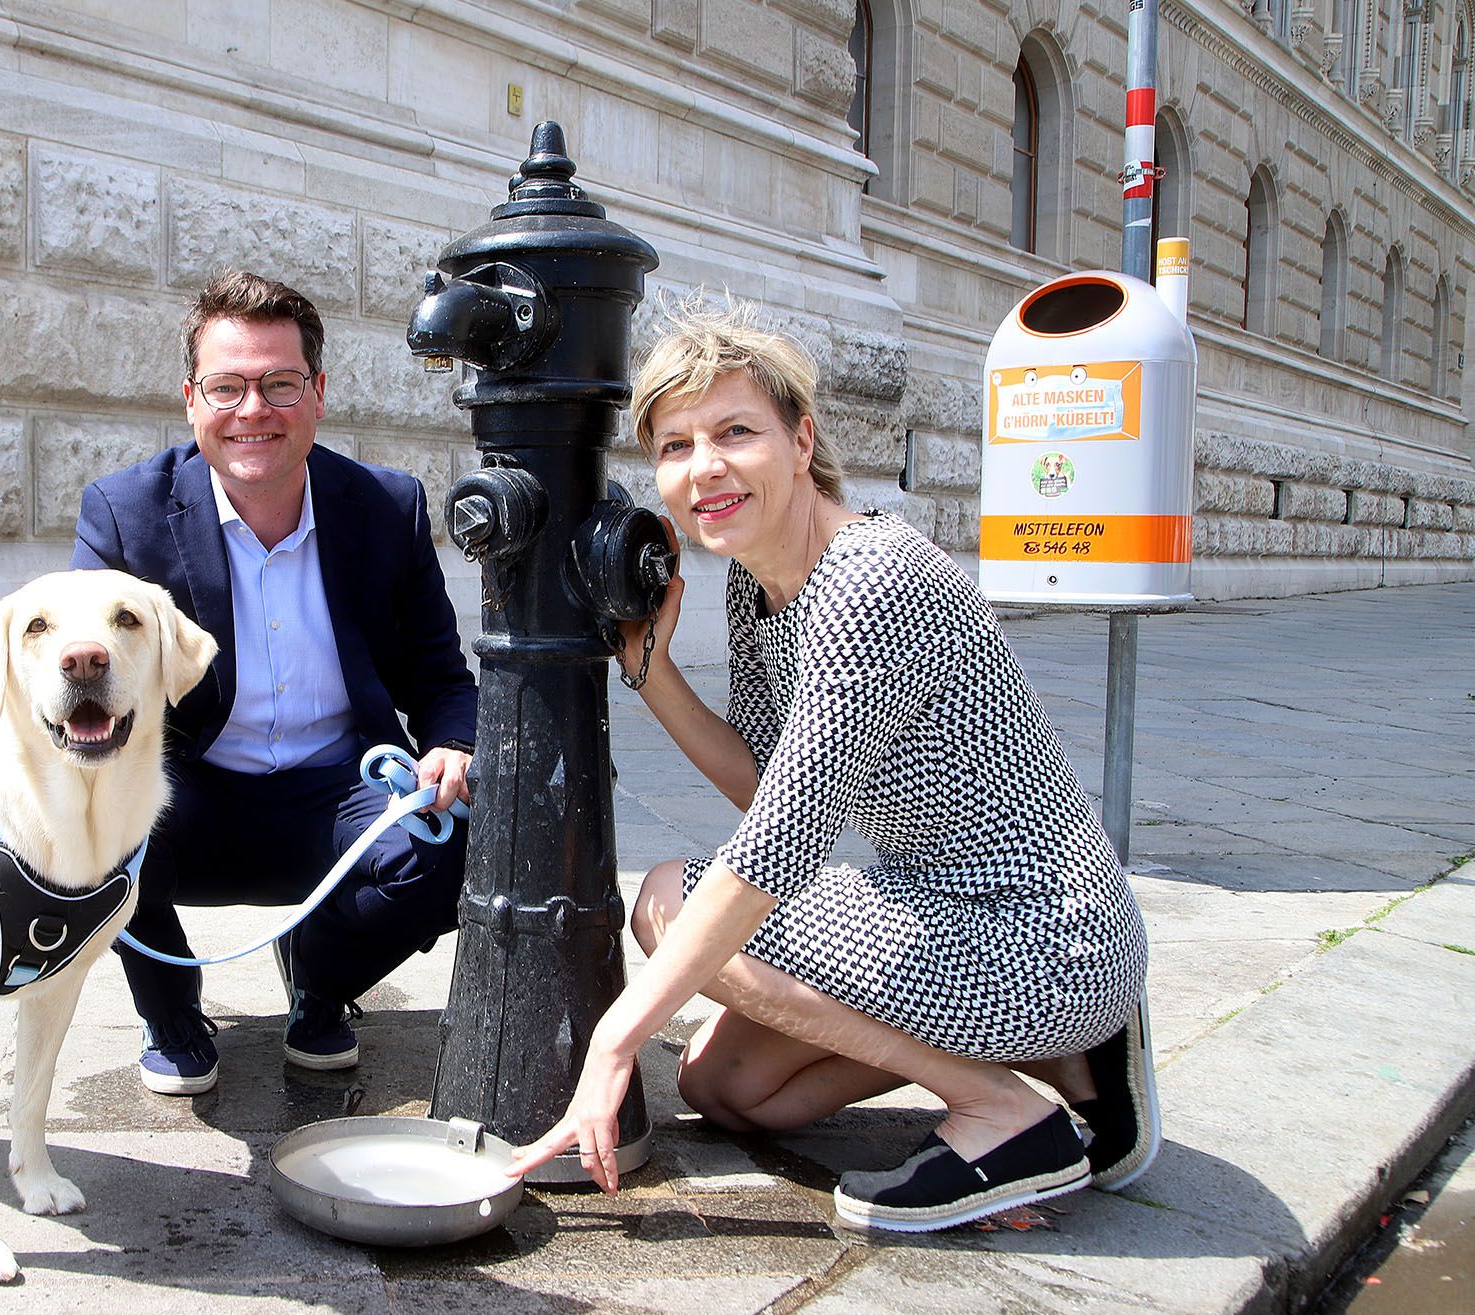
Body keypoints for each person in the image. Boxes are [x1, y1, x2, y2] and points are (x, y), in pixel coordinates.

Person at [507, 306, 1156, 1232]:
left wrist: (616, 1036)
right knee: (726, 1089)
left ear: (801, 438)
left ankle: (1003, 1113)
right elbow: (765, 778)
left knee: (665, 900)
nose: (707, 469)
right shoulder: (758, 577)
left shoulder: (870, 579)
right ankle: (1068, 1067)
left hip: (1044, 935)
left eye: (736, 432)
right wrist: (649, 668)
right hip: (933, 906)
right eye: (678, 446)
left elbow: (776, 849)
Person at [69, 271, 477, 1096]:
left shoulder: (384, 507)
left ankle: (319, 983)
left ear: (318, 392)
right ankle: (173, 1011)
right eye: (227, 385)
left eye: (280, 383)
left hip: (342, 788)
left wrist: (450, 744)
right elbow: (74, 668)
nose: (253, 409)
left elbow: (440, 676)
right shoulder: (126, 513)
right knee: (87, 820)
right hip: (191, 793)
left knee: (457, 838)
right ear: (192, 400)